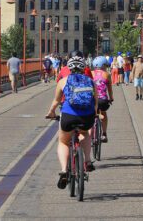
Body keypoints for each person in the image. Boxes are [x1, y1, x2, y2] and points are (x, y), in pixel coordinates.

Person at [45, 55, 97, 188]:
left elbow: (56, 101)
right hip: (87, 116)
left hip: (69, 115)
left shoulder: (63, 81)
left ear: (69, 68)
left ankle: (64, 170)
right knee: (85, 134)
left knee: (63, 141)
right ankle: (87, 160)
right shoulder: (90, 81)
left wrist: (51, 113)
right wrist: (94, 113)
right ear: (84, 68)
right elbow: (95, 101)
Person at [91, 56, 113, 141]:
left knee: (91, 115)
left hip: (92, 100)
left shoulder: (90, 73)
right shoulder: (107, 75)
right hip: (102, 100)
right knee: (103, 113)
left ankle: (92, 135)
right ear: (103, 65)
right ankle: (104, 134)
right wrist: (111, 98)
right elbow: (110, 89)